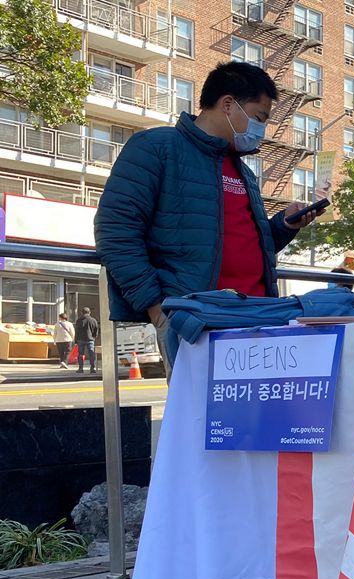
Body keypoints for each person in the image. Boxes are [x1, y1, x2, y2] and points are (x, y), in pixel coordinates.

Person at [95, 62, 322, 374]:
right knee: (201, 421)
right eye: (259, 118)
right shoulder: (156, 148)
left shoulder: (242, 171)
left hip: (257, 317)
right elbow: (116, 231)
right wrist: (160, 312)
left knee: (258, 420)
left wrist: (284, 225)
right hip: (195, 321)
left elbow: (242, 242)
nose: (261, 130)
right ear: (228, 104)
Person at [73, 307, 99, 375]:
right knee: (91, 354)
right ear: (89, 312)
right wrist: (94, 337)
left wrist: (76, 340)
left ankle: (81, 368)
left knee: (81, 354)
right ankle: (92, 368)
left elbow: (77, 331)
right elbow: (96, 330)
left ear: (82, 313)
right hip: (90, 339)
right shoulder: (93, 320)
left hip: (81, 339)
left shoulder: (79, 320)